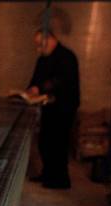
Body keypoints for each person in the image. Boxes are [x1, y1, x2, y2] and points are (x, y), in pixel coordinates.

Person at [27, 29, 80, 189]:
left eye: (39, 44)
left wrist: (41, 88)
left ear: (50, 39)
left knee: (59, 143)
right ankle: (48, 174)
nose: (38, 48)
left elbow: (62, 80)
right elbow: (37, 77)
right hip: (49, 107)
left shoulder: (67, 57)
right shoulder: (44, 58)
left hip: (64, 107)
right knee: (45, 142)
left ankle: (60, 180)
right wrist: (32, 88)